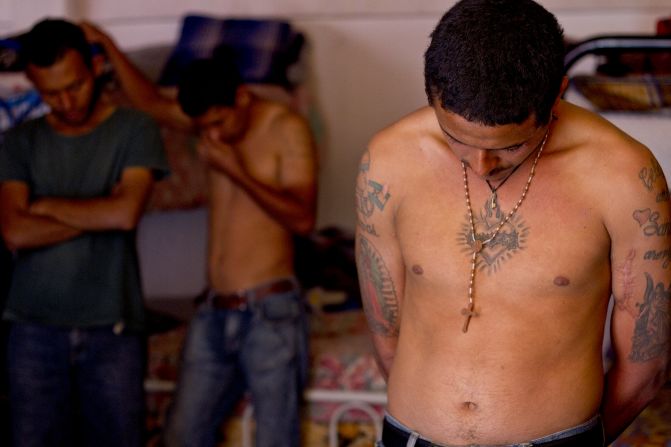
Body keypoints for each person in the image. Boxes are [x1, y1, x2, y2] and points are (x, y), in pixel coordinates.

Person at [355, 0, 670, 446]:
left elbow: (646, 366)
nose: (481, 165)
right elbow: (385, 334)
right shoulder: (389, 160)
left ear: (557, 94)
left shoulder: (624, 177)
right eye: (455, 140)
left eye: (510, 147)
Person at [81, 22, 318, 447]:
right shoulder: (212, 120)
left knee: (276, 440)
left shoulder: (287, 128)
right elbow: (152, 103)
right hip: (212, 311)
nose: (210, 136)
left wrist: (235, 170)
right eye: (202, 127)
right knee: (181, 436)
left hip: (271, 312)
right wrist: (108, 44)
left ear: (242, 98)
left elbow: (302, 219)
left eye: (219, 123)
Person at [0, 19, 168, 447]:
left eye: (74, 85)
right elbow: (15, 231)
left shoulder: (135, 129)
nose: (66, 101)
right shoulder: (19, 141)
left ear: (94, 69)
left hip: (112, 329)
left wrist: (47, 206)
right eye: (50, 93)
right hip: (31, 329)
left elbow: (127, 213)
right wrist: (98, 209)